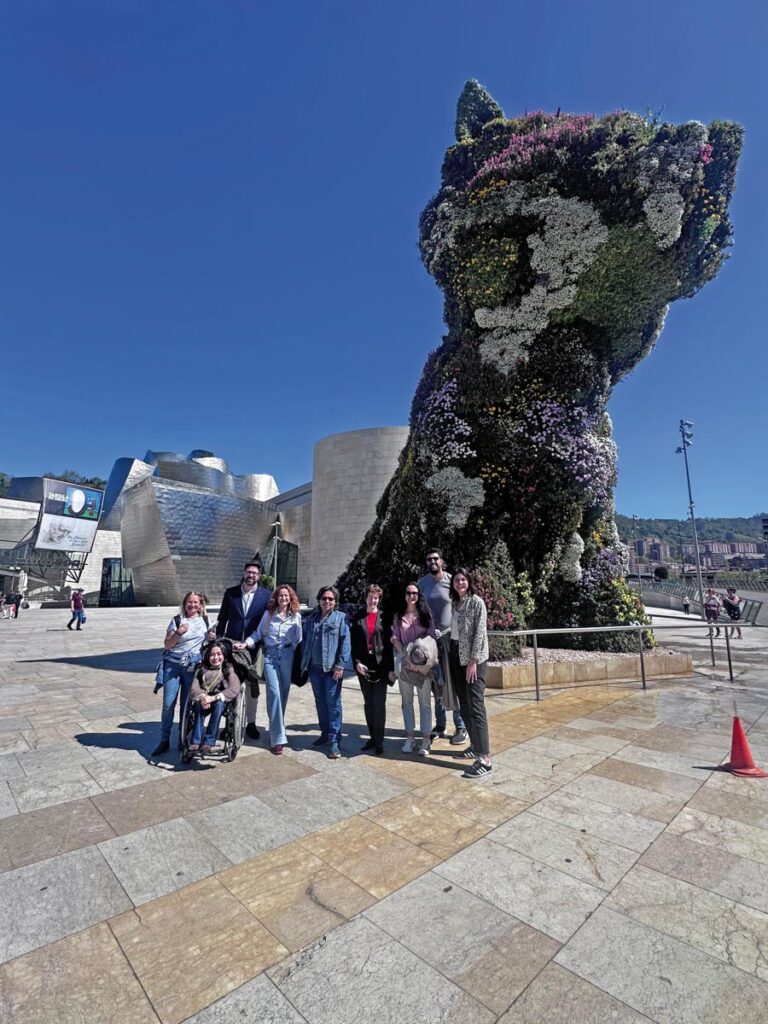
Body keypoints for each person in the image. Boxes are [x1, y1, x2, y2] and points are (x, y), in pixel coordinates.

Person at [216, 561, 271, 739]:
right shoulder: (231, 593)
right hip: (231, 646)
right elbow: (222, 618)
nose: (251, 575)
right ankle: (229, 724)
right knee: (230, 684)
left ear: (259, 576)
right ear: (243, 572)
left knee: (251, 687)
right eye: (248, 572)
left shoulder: (266, 595)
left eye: (254, 573)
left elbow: (267, 622)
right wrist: (218, 642)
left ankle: (251, 723)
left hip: (253, 648)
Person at [418, 547, 468, 745]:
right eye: (429, 559)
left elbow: (461, 606)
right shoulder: (422, 583)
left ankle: (461, 726)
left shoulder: (451, 581)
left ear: (442, 561)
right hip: (432, 642)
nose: (432, 561)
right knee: (436, 684)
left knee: (453, 683)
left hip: (450, 639)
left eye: (435, 558)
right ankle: (440, 725)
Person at [153, 591, 209, 757]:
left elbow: (208, 644)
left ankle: (182, 738)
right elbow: (167, 645)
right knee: (168, 704)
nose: (192, 605)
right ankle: (164, 739)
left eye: (195, 603)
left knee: (186, 706)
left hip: (193, 667)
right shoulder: (177, 620)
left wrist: (212, 637)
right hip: (173, 666)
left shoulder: (204, 621)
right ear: (184, 604)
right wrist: (178, 632)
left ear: (200, 605)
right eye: (189, 602)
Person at [448, 568, 492, 779]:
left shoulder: (477, 603)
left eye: (463, 579)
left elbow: (480, 634)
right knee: (463, 704)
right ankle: (475, 746)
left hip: (474, 661)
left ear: (469, 582)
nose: (460, 583)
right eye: (456, 580)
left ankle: (485, 758)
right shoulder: (456, 603)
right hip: (457, 658)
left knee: (476, 706)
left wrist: (473, 661)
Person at [251, 584, 302, 754]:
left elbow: (298, 639)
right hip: (270, 656)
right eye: (281, 596)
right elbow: (258, 633)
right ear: (276, 598)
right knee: (274, 693)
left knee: (284, 693)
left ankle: (276, 726)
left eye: (286, 596)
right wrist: (247, 642)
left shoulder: (296, 617)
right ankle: (278, 738)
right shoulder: (268, 614)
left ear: (291, 598)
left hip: (287, 655)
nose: (283, 598)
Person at [300, 585, 351, 759]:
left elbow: (345, 642)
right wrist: (304, 664)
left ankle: (335, 740)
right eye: (324, 598)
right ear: (319, 600)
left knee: (333, 704)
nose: (327, 601)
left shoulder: (340, 618)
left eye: (330, 599)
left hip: (332, 670)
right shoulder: (312, 618)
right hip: (315, 668)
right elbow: (306, 640)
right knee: (320, 702)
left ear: (335, 601)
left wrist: (340, 665)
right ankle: (324, 734)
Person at [392, 583, 436, 756]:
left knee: (425, 703)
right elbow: (395, 638)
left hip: (423, 666)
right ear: (405, 595)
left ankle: (426, 739)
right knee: (406, 702)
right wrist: (407, 657)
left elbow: (432, 639)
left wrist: (420, 662)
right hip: (405, 664)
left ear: (419, 596)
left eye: (415, 593)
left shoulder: (426, 616)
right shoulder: (398, 616)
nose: (412, 596)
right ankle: (410, 737)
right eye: (409, 592)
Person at [351, 584, 394, 755]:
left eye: (376, 597)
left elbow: (389, 646)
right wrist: (356, 663)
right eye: (370, 597)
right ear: (365, 598)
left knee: (379, 705)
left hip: (381, 666)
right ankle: (372, 737)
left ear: (379, 599)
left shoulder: (385, 617)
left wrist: (390, 669)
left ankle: (379, 740)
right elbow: (353, 645)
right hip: (364, 666)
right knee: (368, 704)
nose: (373, 600)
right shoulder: (358, 617)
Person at [188, 641, 241, 753]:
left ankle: (208, 742)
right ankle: (195, 741)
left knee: (219, 705)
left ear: (224, 655)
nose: (215, 657)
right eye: (212, 655)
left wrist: (213, 698)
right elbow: (193, 688)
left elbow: (234, 688)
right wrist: (203, 696)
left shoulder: (228, 669)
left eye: (219, 654)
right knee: (198, 707)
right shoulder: (201, 669)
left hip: (220, 701)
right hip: (203, 699)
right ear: (207, 656)